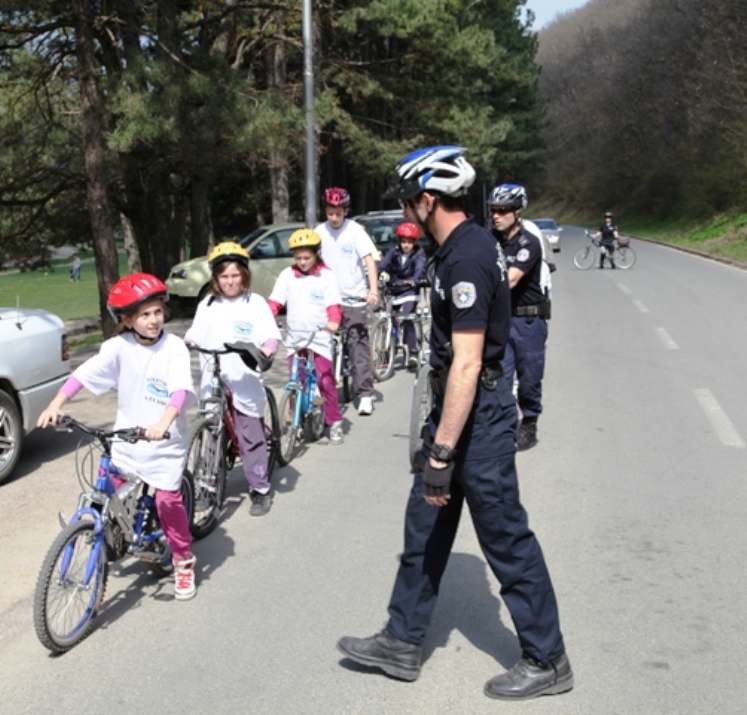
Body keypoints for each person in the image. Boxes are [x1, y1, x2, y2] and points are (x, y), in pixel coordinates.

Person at [336, 146, 572, 701]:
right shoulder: (459, 249)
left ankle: (548, 658)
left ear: (428, 199)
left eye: (406, 199)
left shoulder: (467, 257)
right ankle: (401, 640)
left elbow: (468, 361)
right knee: (425, 528)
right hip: (452, 414)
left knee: (506, 539)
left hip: (478, 423)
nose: (403, 209)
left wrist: (442, 454)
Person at [37, 273, 198, 600]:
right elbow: (83, 375)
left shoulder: (174, 348)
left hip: (163, 441)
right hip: (127, 437)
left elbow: (179, 391)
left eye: (157, 312)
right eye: (144, 315)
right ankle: (114, 532)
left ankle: (183, 561)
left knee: (167, 501)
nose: (154, 320)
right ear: (127, 320)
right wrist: (56, 405)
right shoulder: (117, 348)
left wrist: (164, 422)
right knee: (111, 487)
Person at [184, 242, 281, 517]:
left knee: (250, 435)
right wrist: (188, 342)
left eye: (235, 275)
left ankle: (259, 488)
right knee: (209, 435)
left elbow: (270, 336)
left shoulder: (255, 303)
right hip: (213, 377)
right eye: (224, 276)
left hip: (243, 377)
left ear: (245, 276)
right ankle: (207, 487)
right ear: (215, 278)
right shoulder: (208, 304)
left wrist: (267, 349)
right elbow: (195, 332)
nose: (230, 281)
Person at [267, 228, 344, 444]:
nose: (302, 262)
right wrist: (265, 317)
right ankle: (296, 422)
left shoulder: (326, 275)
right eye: (298, 257)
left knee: (325, 379)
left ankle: (334, 421)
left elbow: (333, 305)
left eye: (307, 257)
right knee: (297, 379)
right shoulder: (287, 275)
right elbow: (275, 302)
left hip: (319, 336)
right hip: (295, 336)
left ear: (316, 254)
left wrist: (334, 321)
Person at [488, 184, 550, 452]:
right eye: (493, 211)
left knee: (529, 378)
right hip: (501, 321)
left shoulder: (528, 244)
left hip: (528, 322)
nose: (496, 216)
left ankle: (530, 423)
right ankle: (505, 424)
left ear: (517, 212)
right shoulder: (488, 241)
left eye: (503, 211)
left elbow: (510, 280)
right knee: (499, 378)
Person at [315, 186, 378, 416]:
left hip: (354, 297)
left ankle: (364, 394)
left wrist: (372, 290)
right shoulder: (319, 232)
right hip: (329, 300)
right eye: (330, 212)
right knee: (322, 347)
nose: (333, 218)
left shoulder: (356, 231)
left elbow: (369, 261)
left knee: (357, 346)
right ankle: (323, 392)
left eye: (338, 213)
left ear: (346, 210)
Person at [376, 221, 427, 369]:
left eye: (409, 242)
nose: (406, 245)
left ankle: (412, 352)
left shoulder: (419, 254)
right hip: (394, 288)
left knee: (406, 317)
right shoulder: (394, 251)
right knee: (387, 317)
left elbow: (420, 269)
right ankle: (386, 353)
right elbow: (382, 265)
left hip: (410, 290)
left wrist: (414, 280)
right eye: (403, 241)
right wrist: (372, 278)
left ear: (414, 242)